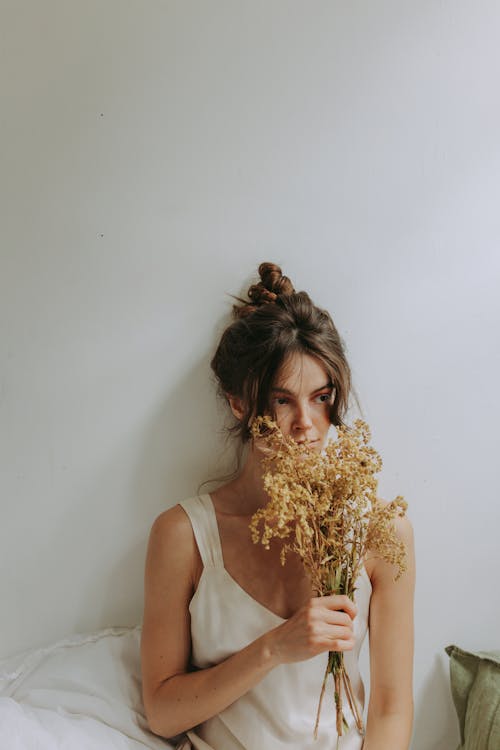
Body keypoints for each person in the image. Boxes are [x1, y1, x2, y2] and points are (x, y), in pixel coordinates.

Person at [140, 262, 415, 750]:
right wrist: (273, 648)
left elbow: (392, 705)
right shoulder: (183, 535)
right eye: (282, 400)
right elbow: (162, 713)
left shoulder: (380, 530)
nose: (305, 424)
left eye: (321, 397)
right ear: (239, 405)